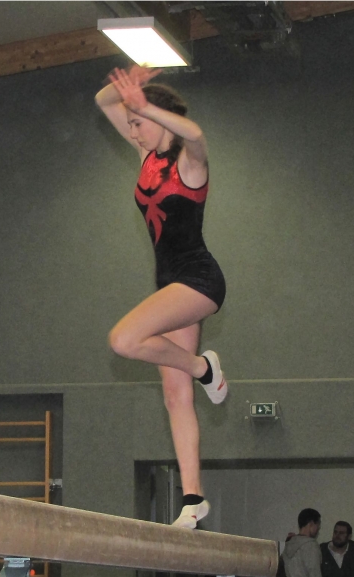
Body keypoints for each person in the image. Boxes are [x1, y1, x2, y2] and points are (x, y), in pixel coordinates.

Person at [95, 66, 227, 529]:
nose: (132, 131)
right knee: (175, 396)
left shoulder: (190, 164)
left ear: (158, 117)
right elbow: (103, 102)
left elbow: (196, 134)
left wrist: (145, 104)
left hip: (198, 281)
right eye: (131, 123)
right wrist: (129, 86)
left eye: (138, 123)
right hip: (169, 286)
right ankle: (194, 499)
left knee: (123, 339)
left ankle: (202, 368)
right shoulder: (146, 156)